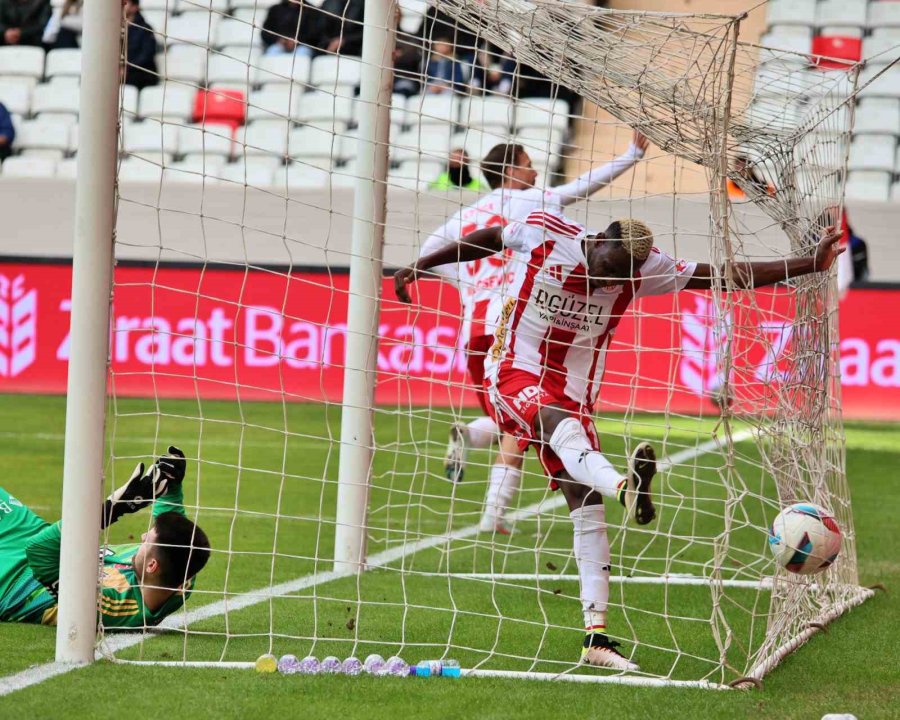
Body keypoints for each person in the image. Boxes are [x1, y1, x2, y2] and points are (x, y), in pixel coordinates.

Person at [396, 210, 843, 670]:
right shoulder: (546, 233)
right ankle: (626, 489)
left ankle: (597, 638)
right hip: (512, 366)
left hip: (574, 388)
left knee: (584, 505)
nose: (610, 282)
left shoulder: (644, 268)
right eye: (609, 270)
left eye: (622, 278)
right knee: (553, 422)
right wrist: (424, 264)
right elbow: (491, 236)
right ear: (598, 241)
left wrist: (810, 263)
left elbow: (722, 275)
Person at [418, 130, 649, 535]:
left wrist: (469, 288)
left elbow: (428, 253)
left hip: (474, 328)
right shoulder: (533, 201)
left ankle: (473, 441)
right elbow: (583, 185)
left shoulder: (466, 215)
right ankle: (493, 510)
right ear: (510, 171)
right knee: (529, 421)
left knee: (522, 418)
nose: (535, 170)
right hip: (513, 324)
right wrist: (631, 154)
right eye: (527, 164)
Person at [0, 446, 211, 628]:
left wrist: (112, 509)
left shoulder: (113, 608)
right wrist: (171, 485)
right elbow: (174, 536)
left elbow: (38, 551)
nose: (143, 535)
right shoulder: (182, 574)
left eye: (147, 540)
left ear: (152, 566)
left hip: (13, 583)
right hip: (43, 539)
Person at [122, 0, 158, 90]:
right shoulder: (115, 27)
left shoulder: (145, 29)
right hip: (122, 70)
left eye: (125, 3)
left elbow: (147, 55)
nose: (122, 5)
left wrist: (127, 68)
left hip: (141, 73)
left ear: (135, 7)